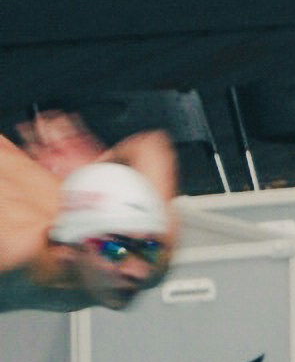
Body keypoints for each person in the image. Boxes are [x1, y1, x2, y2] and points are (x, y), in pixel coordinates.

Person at [0, 113, 178, 312]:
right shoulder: (10, 253)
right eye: (115, 249)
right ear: (66, 250)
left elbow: (150, 146)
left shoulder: (156, 256)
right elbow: (151, 145)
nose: (137, 272)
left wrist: (93, 172)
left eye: (147, 247)